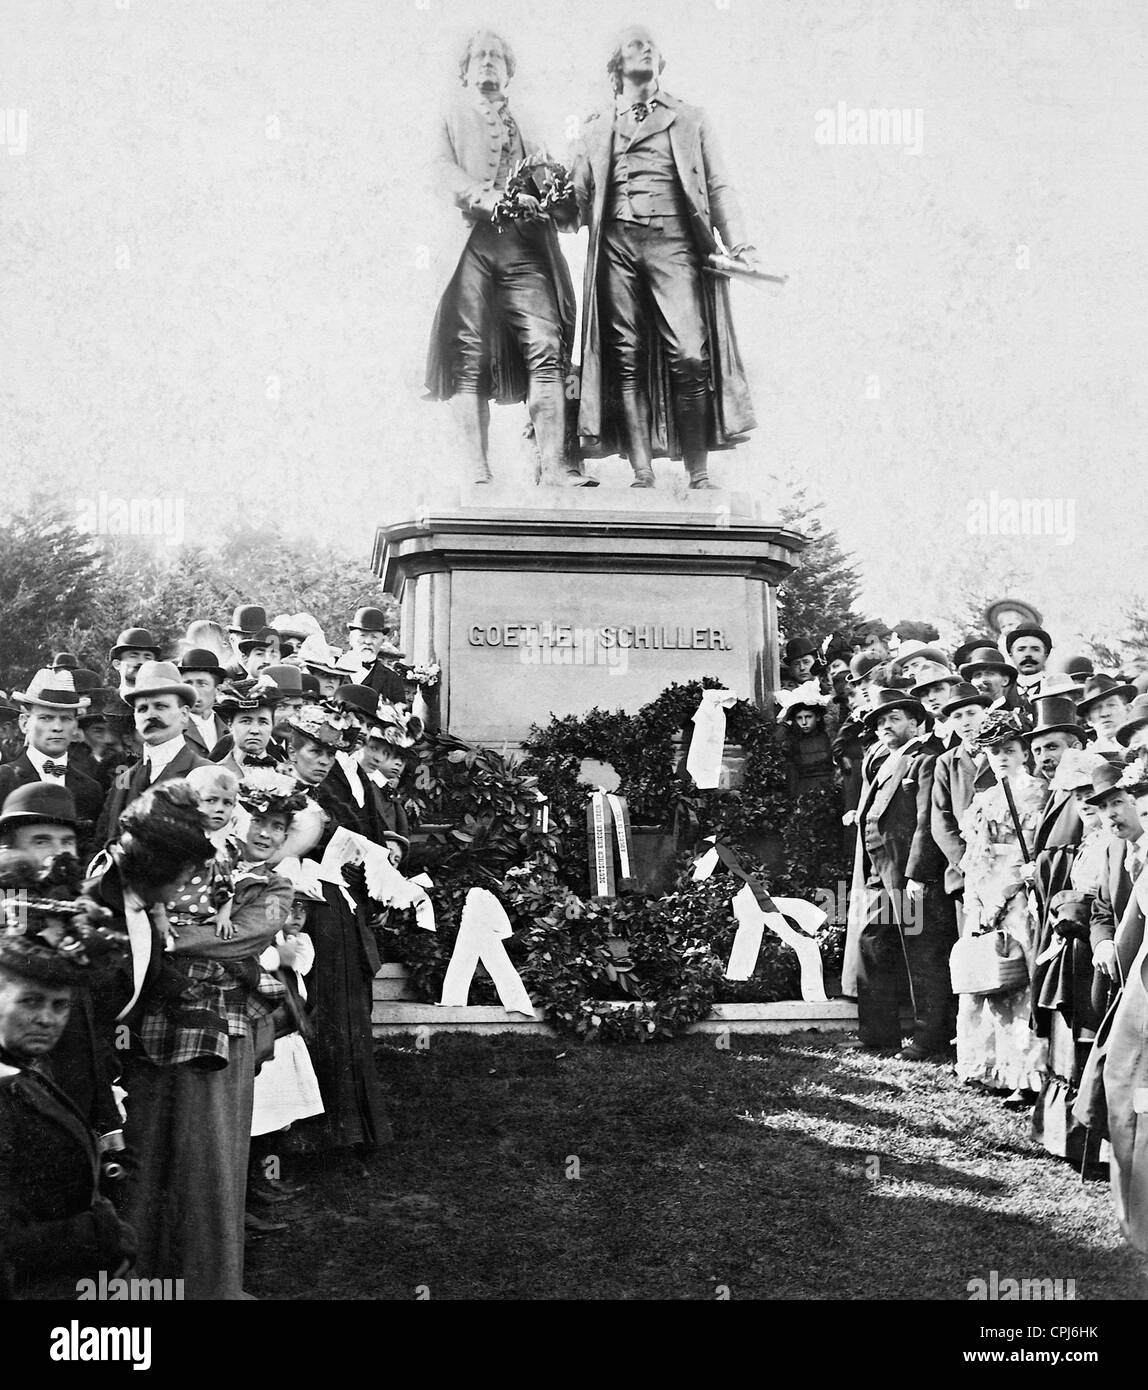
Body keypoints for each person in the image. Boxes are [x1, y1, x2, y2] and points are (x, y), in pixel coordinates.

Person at [101, 780, 281, 1300]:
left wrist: (174, 937)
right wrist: (176, 937)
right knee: (146, 1150)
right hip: (155, 1026)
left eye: (277, 828)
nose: (264, 835)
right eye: (259, 823)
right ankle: (142, 1280)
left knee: (210, 1155)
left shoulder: (270, 886)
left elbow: (245, 937)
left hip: (224, 1029)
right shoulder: (172, 866)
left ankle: (208, 1281)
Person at [569, 25, 759, 489]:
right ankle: (641, 473)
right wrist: (540, 195)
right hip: (617, 245)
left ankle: (698, 472)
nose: (647, 49)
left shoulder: (691, 118)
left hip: (674, 242)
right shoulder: (596, 127)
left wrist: (741, 242)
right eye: (635, 44)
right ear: (617, 64)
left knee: (691, 355)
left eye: (652, 45)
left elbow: (718, 185)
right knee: (625, 358)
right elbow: (573, 200)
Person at [425, 28, 590, 488]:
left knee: (547, 347)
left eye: (497, 57)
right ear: (465, 69)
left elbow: (553, 183)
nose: (489, 63)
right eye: (480, 56)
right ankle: (477, 472)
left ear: (509, 70)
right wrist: (487, 196)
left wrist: (560, 196)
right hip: (472, 245)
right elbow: (440, 171)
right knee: (468, 355)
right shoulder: (450, 115)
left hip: (525, 247)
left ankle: (555, 468)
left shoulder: (527, 122)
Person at [0, 892, 136, 1300]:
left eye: (61, 1006)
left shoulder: (25, 1072)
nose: (47, 1018)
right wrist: (100, 1232)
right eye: (30, 1002)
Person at [284, 704, 392, 1152]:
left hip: (336, 912)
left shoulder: (328, 798)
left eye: (330, 753)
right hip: (299, 911)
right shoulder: (279, 793)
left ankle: (348, 1127)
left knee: (344, 1013)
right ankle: (305, 1130)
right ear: (291, 751)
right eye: (314, 751)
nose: (323, 761)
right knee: (311, 1012)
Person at [854, 688, 954, 1058]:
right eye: (880, 721)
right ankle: (877, 1035)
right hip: (880, 872)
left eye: (894, 719)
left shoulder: (926, 759)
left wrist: (917, 874)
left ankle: (930, 1040)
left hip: (910, 874)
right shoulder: (881, 760)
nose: (885, 726)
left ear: (916, 722)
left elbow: (927, 822)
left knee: (922, 953)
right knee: (873, 944)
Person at [954, 710, 1048, 1104]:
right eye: (994, 752)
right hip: (984, 889)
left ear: (1024, 752)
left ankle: (1025, 1074)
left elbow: (1035, 850)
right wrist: (976, 897)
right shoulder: (984, 799)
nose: (1003, 758)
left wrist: (1009, 890)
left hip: (1019, 893)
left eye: (1009, 750)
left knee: (1018, 977)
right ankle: (987, 1066)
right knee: (987, 975)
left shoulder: (1039, 793)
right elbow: (974, 856)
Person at [1030, 749, 1112, 1165]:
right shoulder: (1086, 842)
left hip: (1094, 949)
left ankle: (1091, 1146)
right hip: (1073, 947)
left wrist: (1072, 905)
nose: (1084, 802)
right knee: (1067, 1038)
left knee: (1089, 1037)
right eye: (1076, 794)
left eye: (1090, 793)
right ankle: (1063, 1139)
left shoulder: (1114, 844)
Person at [95, 662, 211, 843]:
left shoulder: (206, 773)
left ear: (184, 714)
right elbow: (102, 841)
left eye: (161, 706)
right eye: (142, 709)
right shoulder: (123, 779)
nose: (150, 716)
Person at [0, 669, 104, 864]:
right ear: (24, 723)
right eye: (46, 718)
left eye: (66, 718)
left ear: (75, 727)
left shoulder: (91, 788)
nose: (57, 727)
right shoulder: (3, 779)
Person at [929, 682, 992, 902]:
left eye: (971, 713)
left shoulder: (1002, 753)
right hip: (965, 871)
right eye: (957, 716)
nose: (965, 721)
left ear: (985, 714)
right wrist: (966, 861)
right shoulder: (946, 762)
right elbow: (940, 821)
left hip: (1004, 863)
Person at [776, 682, 835, 798]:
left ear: (817, 717)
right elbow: (774, 746)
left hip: (828, 788)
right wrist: (787, 723)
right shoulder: (794, 742)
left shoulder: (828, 737)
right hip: (803, 791)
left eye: (808, 717)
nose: (803, 722)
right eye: (799, 718)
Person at [342, 607, 408, 704]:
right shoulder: (333, 668)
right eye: (362, 635)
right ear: (351, 638)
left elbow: (400, 715)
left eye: (374, 637)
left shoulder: (392, 679)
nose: (368, 642)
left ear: (382, 641)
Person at [177, 649, 230, 757]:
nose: (193, 690)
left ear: (217, 690)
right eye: (188, 683)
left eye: (202, 684)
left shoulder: (229, 726)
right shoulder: (173, 726)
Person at [1076, 674, 1137, 754]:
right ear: (1089, 719)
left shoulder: (1142, 748)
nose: (1104, 714)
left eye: (1111, 705)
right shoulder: (1085, 759)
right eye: (1096, 708)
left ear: (1128, 710)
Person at [1002, 624, 1053, 705]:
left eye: (1035, 649)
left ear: (1046, 655)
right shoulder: (1001, 691)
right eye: (1021, 649)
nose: (1028, 654)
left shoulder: (1054, 689)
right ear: (1011, 655)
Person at [107, 627, 162, 698]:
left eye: (147, 658)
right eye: (133, 656)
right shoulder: (103, 702)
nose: (141, 662)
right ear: (117, 664)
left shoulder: (162, 703)